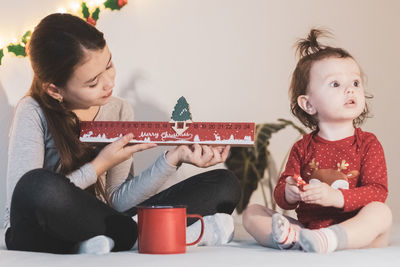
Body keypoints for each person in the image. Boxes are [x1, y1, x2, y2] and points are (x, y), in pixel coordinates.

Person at [5, 13, 241, 254]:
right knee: (38, 186)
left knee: (224, 184)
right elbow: (23, 201)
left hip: (105, 220)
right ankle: (146, 234)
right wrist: (99, 165)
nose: (109, 83)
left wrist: (173, 158)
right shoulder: (32, 111)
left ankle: (108, 240)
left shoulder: (118, 109)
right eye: (93, 82)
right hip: (43, 228)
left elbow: (117, 202)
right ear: (55, 89)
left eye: (109, 65)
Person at [242, 29, 392, 253]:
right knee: (251, 213)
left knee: (381, 213)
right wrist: (289, 193)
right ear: (308, 104)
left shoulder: (368, 143)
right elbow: (283, 194)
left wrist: (336, 197)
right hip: (309, 228)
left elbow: (377, 191)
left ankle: (332, 239)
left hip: (355, 229)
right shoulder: (302, 147)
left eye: (355, 83)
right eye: (335, 84)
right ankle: (297, 238)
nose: (350, 89)